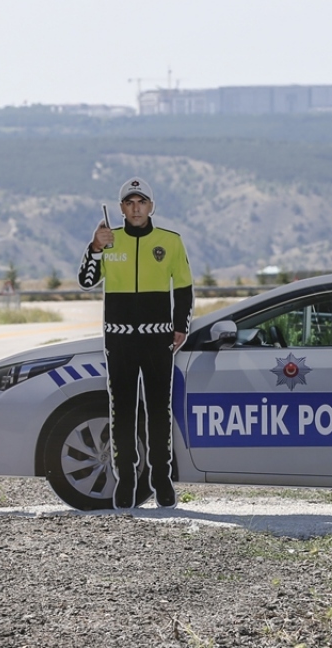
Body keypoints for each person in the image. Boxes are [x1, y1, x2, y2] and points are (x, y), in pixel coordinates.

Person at [78, 178, 193, 509]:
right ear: (121, 209)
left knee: (158, 411)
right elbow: (86, 280)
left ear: (151, 206)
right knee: (123, 412)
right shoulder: (109, 241)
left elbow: (184, 288)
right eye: (129, 203)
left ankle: (161, 479)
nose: (136, 208)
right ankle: (126, 479)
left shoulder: (170, 241)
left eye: (141, 202)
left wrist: (180, 327)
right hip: (120, 341)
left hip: (158, 340)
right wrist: (94, 248)